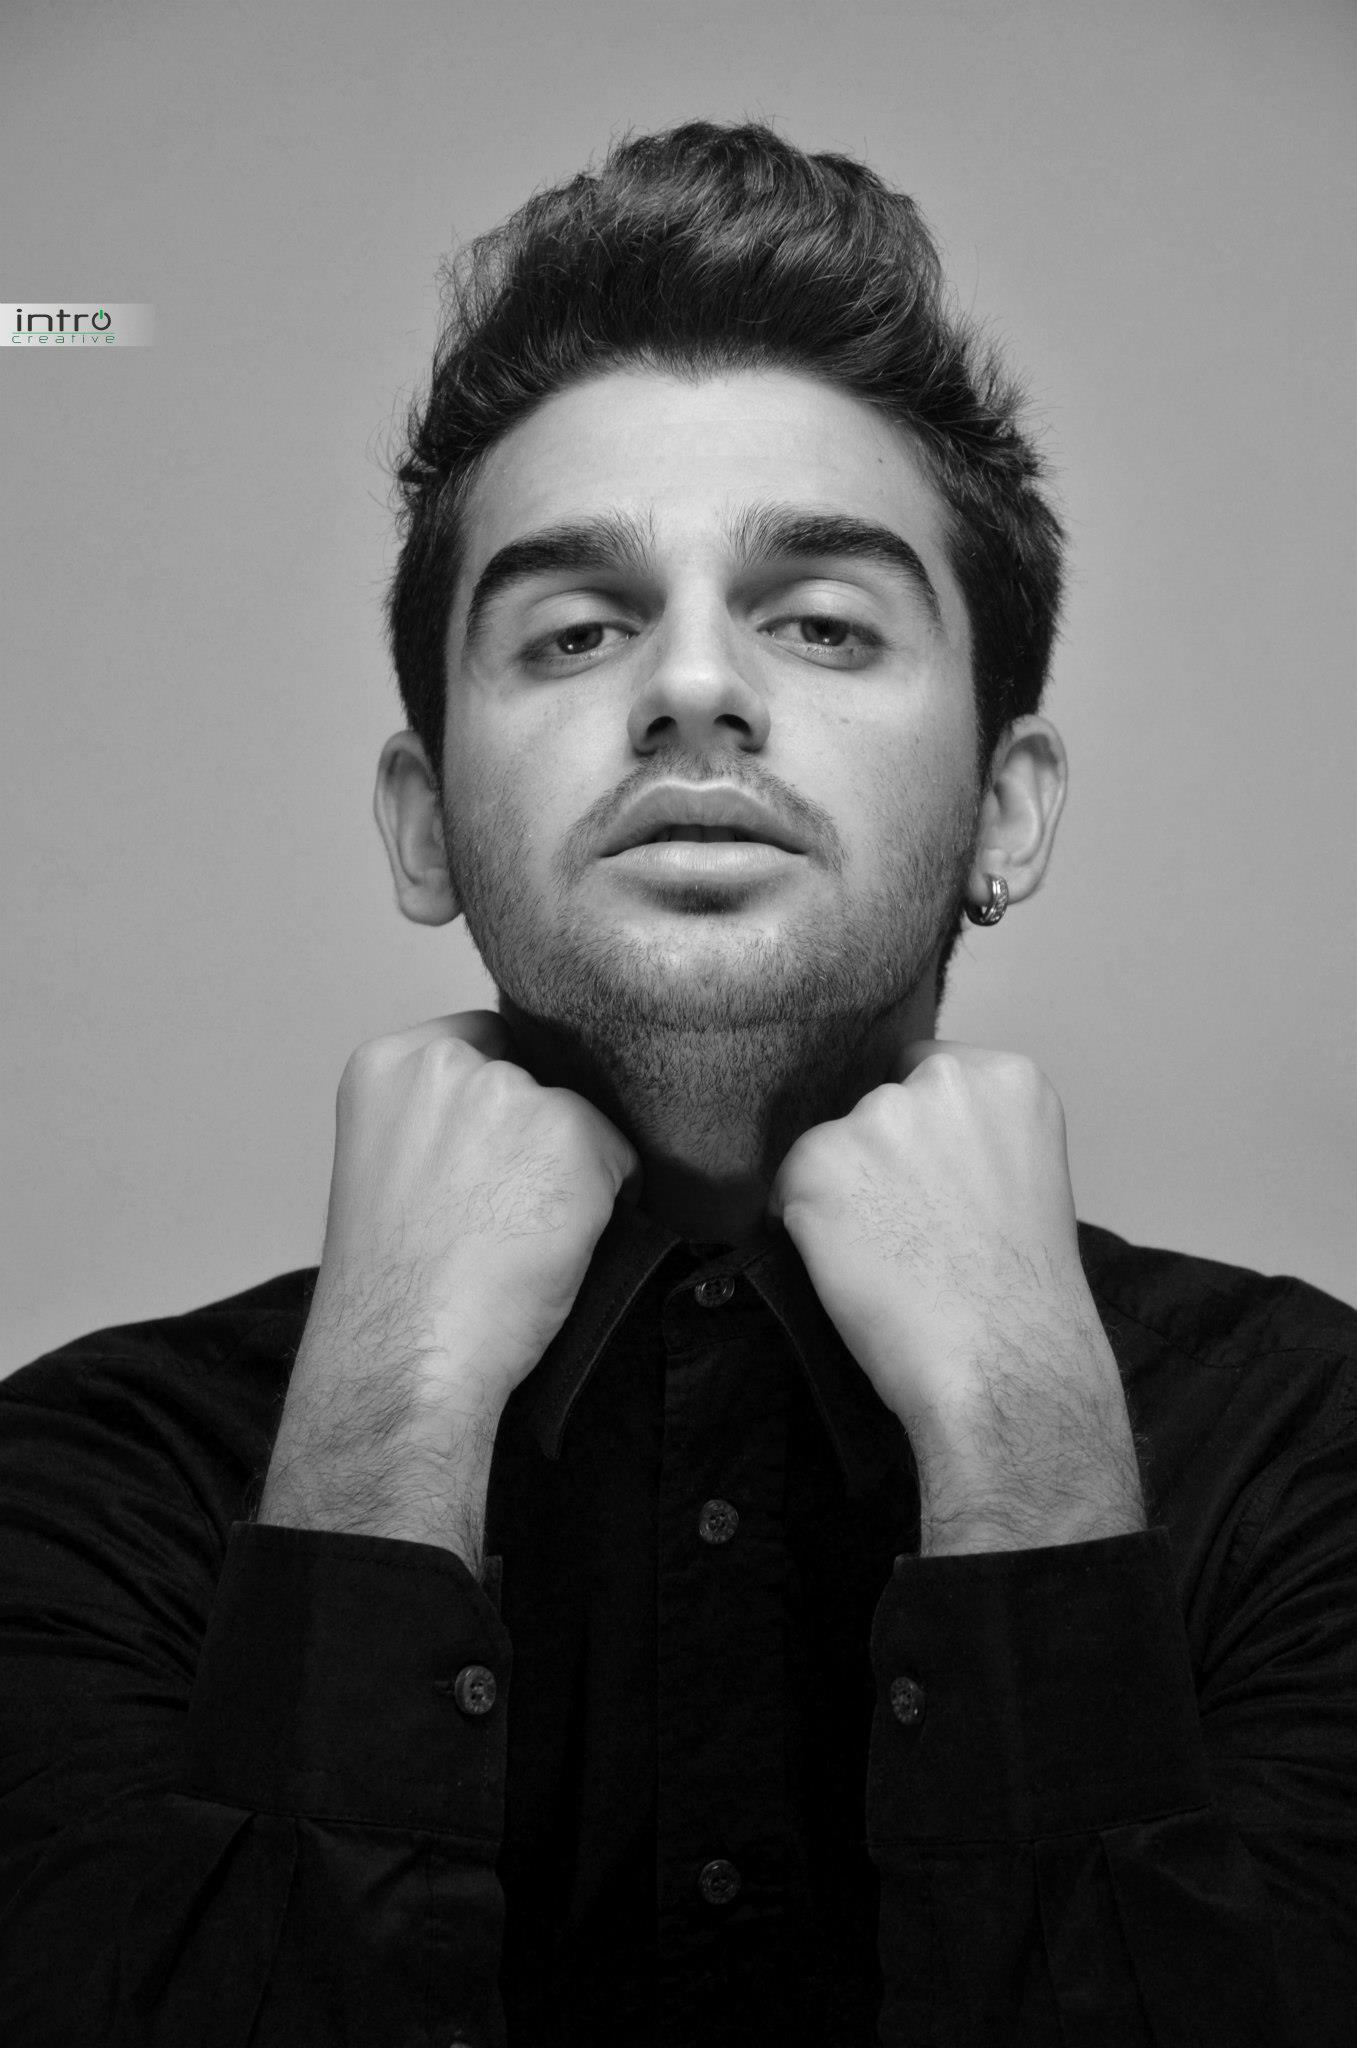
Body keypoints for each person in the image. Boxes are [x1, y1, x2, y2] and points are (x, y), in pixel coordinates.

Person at [0, 121, 1353, 2048]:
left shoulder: (1314, 1461)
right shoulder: (84, 1488)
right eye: (574, 630)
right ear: (424, 824)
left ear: (1006, 809)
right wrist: (382, 1422)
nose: (693, 687)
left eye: (821, 622)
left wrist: (1023, 1447)